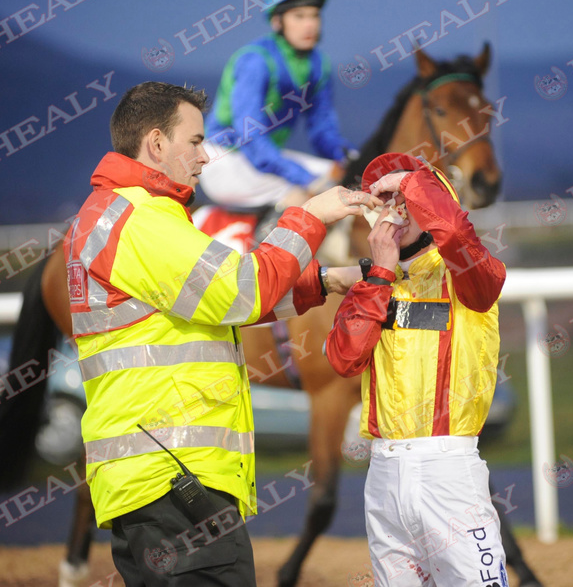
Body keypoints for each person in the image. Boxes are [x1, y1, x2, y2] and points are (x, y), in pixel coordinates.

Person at [65, 81, 381, 587]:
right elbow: (239, 293)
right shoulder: (139, 219)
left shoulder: (128, 213)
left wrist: (321, 281)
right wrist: (312, 216)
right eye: (194, 141)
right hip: (171, 470)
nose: (206, 156)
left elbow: (213, 305)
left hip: (159, 471)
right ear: (156, 143)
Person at [325, 153, 510, 586]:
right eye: (387, 201)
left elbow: (455, 230)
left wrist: (411, 180)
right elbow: (344, 359)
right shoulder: (374, 280)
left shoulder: (469, 273)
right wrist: (379, 274)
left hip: (448, 473)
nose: (397, 210)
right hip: (384, 474)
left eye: (407, 201)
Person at [199, 0, 356, 212]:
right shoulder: (255, 61)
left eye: (314, 15)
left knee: (346, 179)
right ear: (277, 22)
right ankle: (267, 246)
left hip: (266, 156)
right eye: (299, 16)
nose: (309, 24)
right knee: (303, 194)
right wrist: (303, 177)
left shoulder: (320, 64)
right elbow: (249, 136)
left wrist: (349, 157)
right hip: (225, 158)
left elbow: (323, 130)